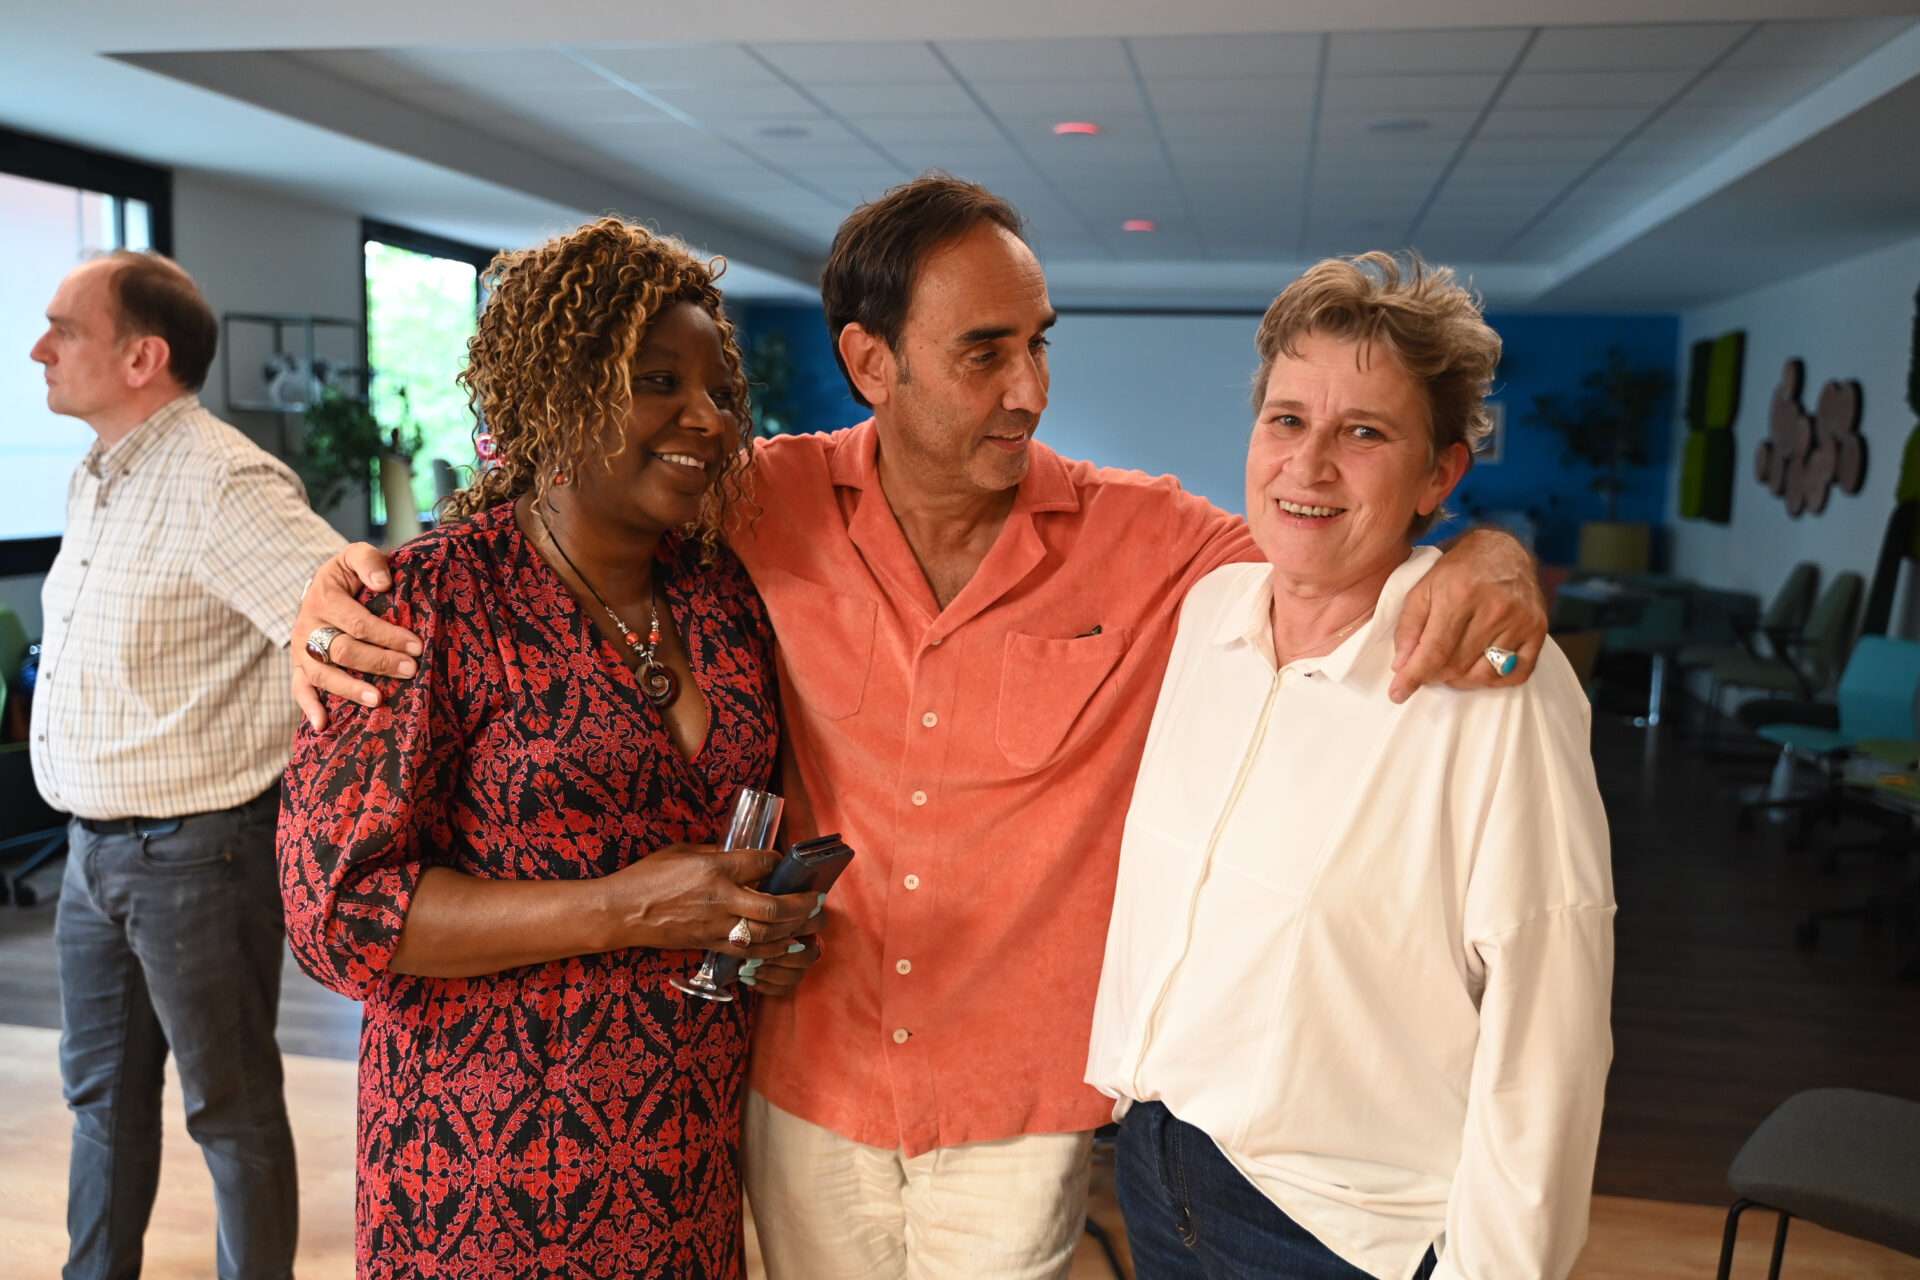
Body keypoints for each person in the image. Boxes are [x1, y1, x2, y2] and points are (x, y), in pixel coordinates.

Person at [289, 177, 1551, 1279]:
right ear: (872, 361)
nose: (1031, 389)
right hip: (711, 1096)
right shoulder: (731, 517)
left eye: (1039, 346)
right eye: (985, 352)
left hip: (964, 1106)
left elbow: (1320, 547)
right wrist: (330, 585)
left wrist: (1491, 546)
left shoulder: (1141, 543)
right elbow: (350, 885)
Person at [275, 218, 822, 1279]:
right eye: (661, 380)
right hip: (485, 1174)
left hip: (681, 1157)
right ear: (554, 395)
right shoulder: (427, 604)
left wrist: (764, 930)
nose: (707, 419)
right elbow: (336, 910)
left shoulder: (724, 598)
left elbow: (730, 853)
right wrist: (623, 906)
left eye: (719, 390)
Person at [1087, 253, 1614, 1280]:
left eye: (1364, 432)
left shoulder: (1494, 677)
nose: (1309, 463)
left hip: (1336, 1230)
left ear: (1440, 475)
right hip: (1160, 1169)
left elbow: (1550, 1028)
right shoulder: (1208, 616)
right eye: (1287, 419)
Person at [29, 250, 346, 1279]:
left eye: (62, 330)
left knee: (232, 1112)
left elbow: (343, 620)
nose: (39, 348)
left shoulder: (223, 479)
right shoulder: (99, 477)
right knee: (101, 1105)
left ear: (142, 357)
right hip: (91, 856)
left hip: (199, 856)